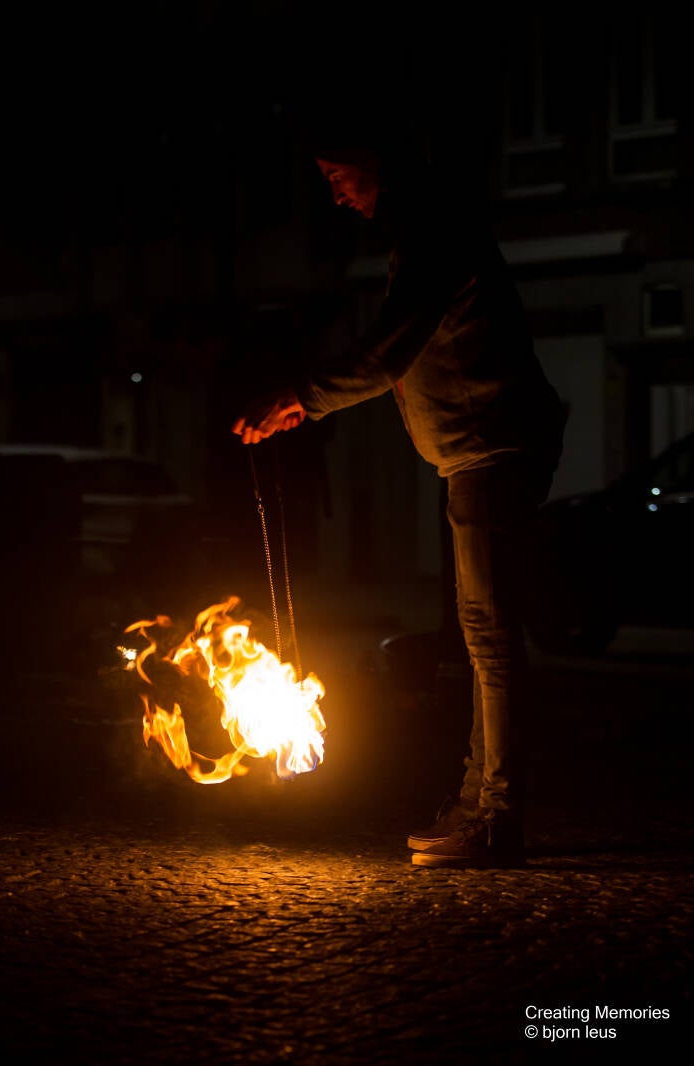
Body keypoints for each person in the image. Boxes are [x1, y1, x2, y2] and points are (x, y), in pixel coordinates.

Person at [231, 119, 565, 869]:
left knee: (490, 634)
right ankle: (482, 800)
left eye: (337, 176)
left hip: (491, 447)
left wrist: (301, 397)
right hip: (477, 452)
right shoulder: (426, 230)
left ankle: (496, 814)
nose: (334, 195)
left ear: (375, 161)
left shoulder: (434, 230)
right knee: (482, 634)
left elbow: (389, 350)